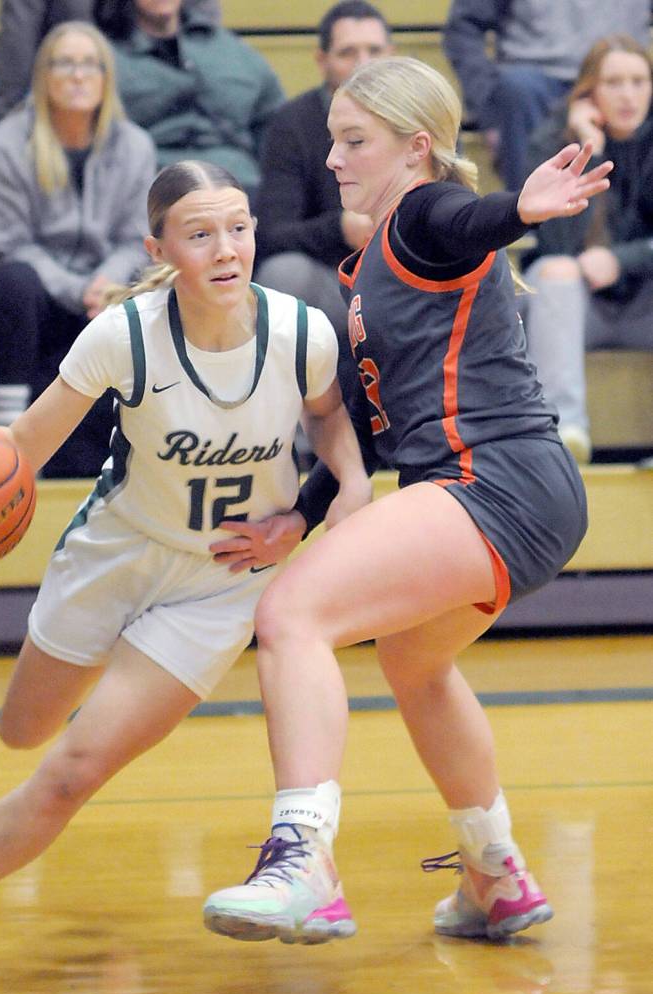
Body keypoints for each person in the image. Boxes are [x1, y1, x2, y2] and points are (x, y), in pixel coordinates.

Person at [0, 159, 371, 988]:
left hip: (217, 583)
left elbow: (327, 412)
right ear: (159, 245)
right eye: (200, 233)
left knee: (68, 773)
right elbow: (17, 452)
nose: (226, 247)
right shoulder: (123, 334)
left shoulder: (301, 329)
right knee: (22, 730)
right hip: (116, 555)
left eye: (238, 226)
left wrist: (338, 488)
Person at [202, 56, 611, 945]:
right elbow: (362, 416)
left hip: (491, 477)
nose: (335, 158)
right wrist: (300, 516)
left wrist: (518, 211)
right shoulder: (373, 263)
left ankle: (303, 860)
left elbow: (469, 218)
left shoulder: (425, 215)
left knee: (292, 613)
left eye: (355, 142)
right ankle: (493, 872)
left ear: (415, 149)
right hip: (519, 489)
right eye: (334, 139)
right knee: (413, 663)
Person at [0, 21, 155, 477]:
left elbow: (137, 237)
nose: (78, 75)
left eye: (90, 65)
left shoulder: (134, 146)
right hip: (29, 306)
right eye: (65, 64)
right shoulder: (5, 146)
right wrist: (79, 289)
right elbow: (8, 244)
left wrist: (109, 283)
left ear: (106, 77)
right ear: (43, 76)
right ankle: (10, 445)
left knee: (155, 287)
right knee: (12, 278)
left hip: (104, 297)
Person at [522, 34, 653, 465]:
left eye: (639, 81)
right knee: (556, 270)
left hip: (642, 305)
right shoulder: (554, 144)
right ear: (589, 91)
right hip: (576, 308)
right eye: (614, 82)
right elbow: (554, 243)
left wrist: (621, 260)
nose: (628, 95)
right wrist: (586, 148)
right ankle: (565, 431)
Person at [255, 1, 393, 399]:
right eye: (348, 52)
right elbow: (273, 233)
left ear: (393, 55)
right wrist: (340, 227)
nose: (363, 63)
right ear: (322, 60)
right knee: (282, 275)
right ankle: (289, 439)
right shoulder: (293, 123)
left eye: (374, 51)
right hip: (331, 282)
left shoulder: (421, 118)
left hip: (408, 276)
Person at [442, 0, 649, 192]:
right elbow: (464, 27)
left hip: (617, 73)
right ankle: (528, 219)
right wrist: (489, 103)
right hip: (534, 86)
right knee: (517, 89)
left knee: (634, 87)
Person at [94, 0, 285, 197]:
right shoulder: (104, 57)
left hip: (242, 183)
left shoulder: (233, 51)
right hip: (152, 186)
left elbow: (275, 123)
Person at [0, 0, 222, 130]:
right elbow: (15, 64)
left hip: (166, 113)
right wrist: (1, 146)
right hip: (77, 113)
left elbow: (202, 41)